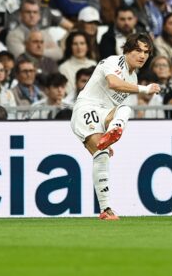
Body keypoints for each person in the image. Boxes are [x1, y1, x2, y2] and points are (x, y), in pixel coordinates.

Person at [70, 33, 160, 220]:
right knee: (101, 154)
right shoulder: (112, 62)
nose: (142, 56)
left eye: (146, 52)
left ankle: (105, 212)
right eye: (138, 50)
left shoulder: (133, 77)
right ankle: (106, 208)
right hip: (86, 108)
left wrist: (106, 136)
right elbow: (113, 83)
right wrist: (145, 89)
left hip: (104, 115)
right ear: (127, 50)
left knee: (125, 110)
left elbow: (113, 104)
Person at [58, 30, 97, 96]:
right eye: (75, 44)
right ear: (70, 47)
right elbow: (68, 92)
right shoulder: (64, 68)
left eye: (82, 43)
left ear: (87, 46)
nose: (79, 47)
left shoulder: (93, 64)